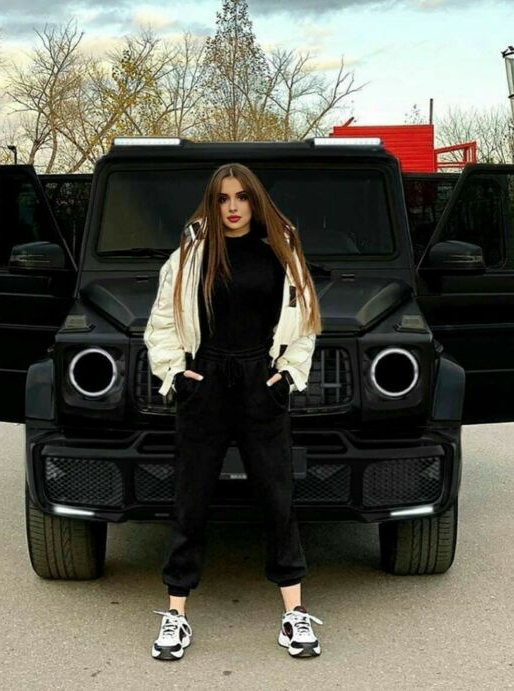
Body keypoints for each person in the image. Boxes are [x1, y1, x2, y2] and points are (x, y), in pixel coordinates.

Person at [143, 162, 324, 660]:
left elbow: (305, 321)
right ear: (212, 203)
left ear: (255, 200)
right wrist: (176, 374)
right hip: (205, 382)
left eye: (242, 197)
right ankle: (176, 615)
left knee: (277, 497)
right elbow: (162, 321)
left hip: (258, 382)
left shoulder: (280, 253)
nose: (233, 207)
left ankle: (294, 614)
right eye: (223, 198)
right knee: (191, 498)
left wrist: (287, 375)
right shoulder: (190, 257)